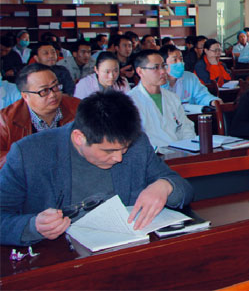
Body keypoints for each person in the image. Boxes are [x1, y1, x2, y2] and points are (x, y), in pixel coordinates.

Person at [0, 90, 194, 246]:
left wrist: (165, 186)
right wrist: (33, 226)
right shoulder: (29, 154)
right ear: (79, 138)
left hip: (125, 250)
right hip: (58, 259)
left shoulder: (137, 144)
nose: (119, 158)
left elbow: (184, 190)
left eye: (124, 149)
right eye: (109, 151)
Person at [0, 64, 81, 166]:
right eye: (44, 91)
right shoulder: (5, 120)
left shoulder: (77, 107)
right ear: (25, 96)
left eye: (55, 86)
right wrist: (25, 157)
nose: (53, 95)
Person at [128, 50, 195, 151]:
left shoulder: (172, 98)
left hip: (179, 152)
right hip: (151, 155)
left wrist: (188, 148)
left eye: (163, 66)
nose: (163, 71)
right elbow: (133, 139)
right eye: (156, 68)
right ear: (140, 71)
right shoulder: (130, 101)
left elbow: (186, 127)